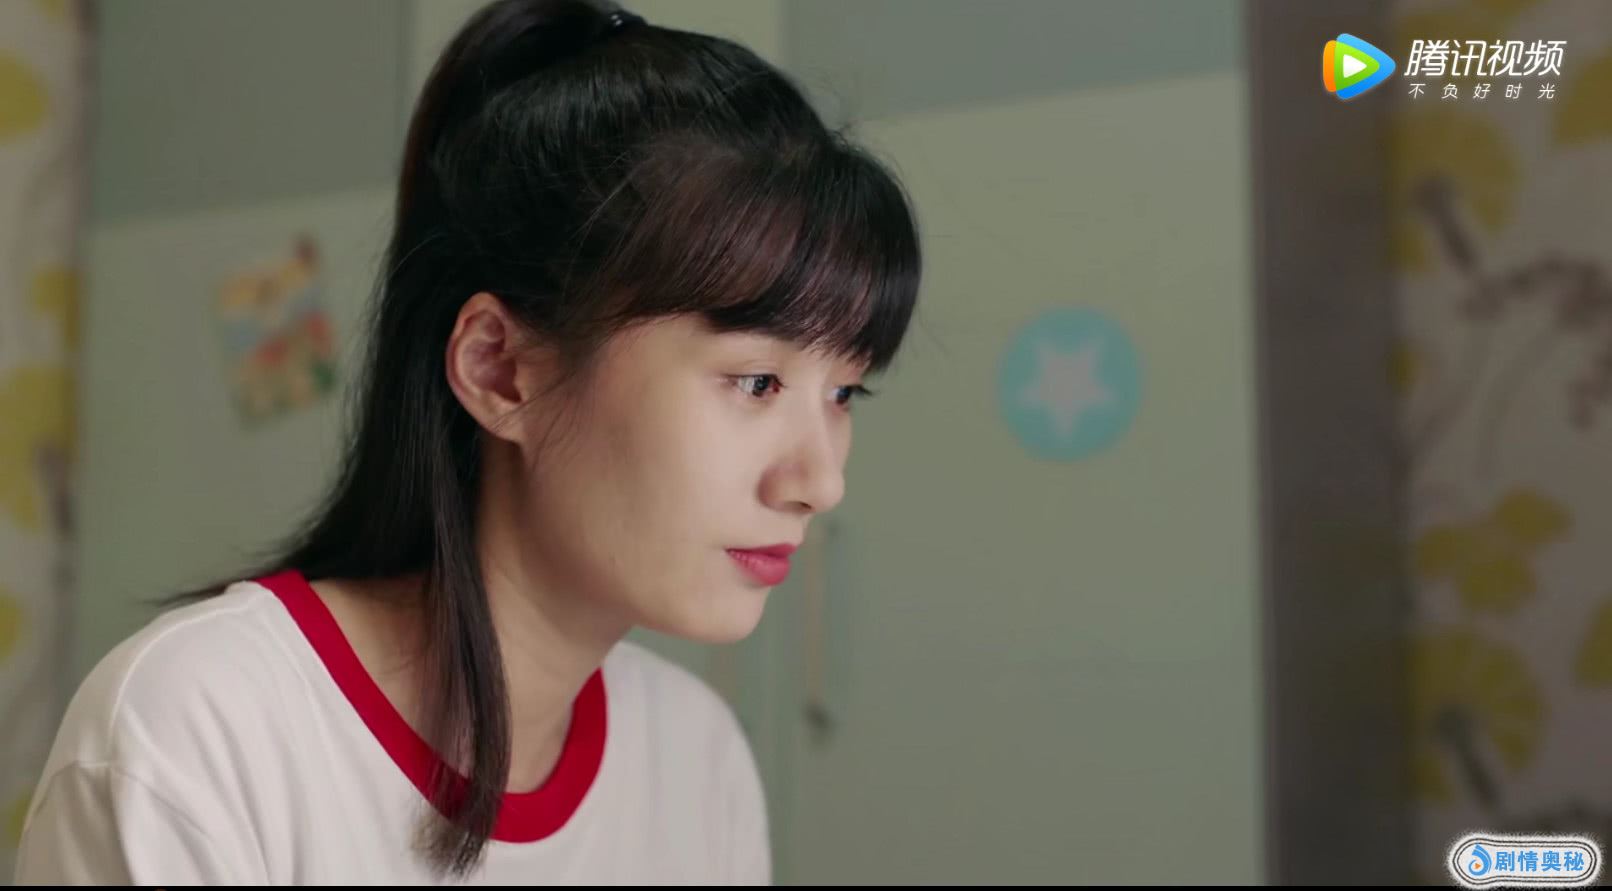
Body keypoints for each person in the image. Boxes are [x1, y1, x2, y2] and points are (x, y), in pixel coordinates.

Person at [12, 0, 921, 884]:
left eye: (843, 392)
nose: (820, 479)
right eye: (756, 382)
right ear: (500, 370)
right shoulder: (199, 732)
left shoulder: (698, 760)